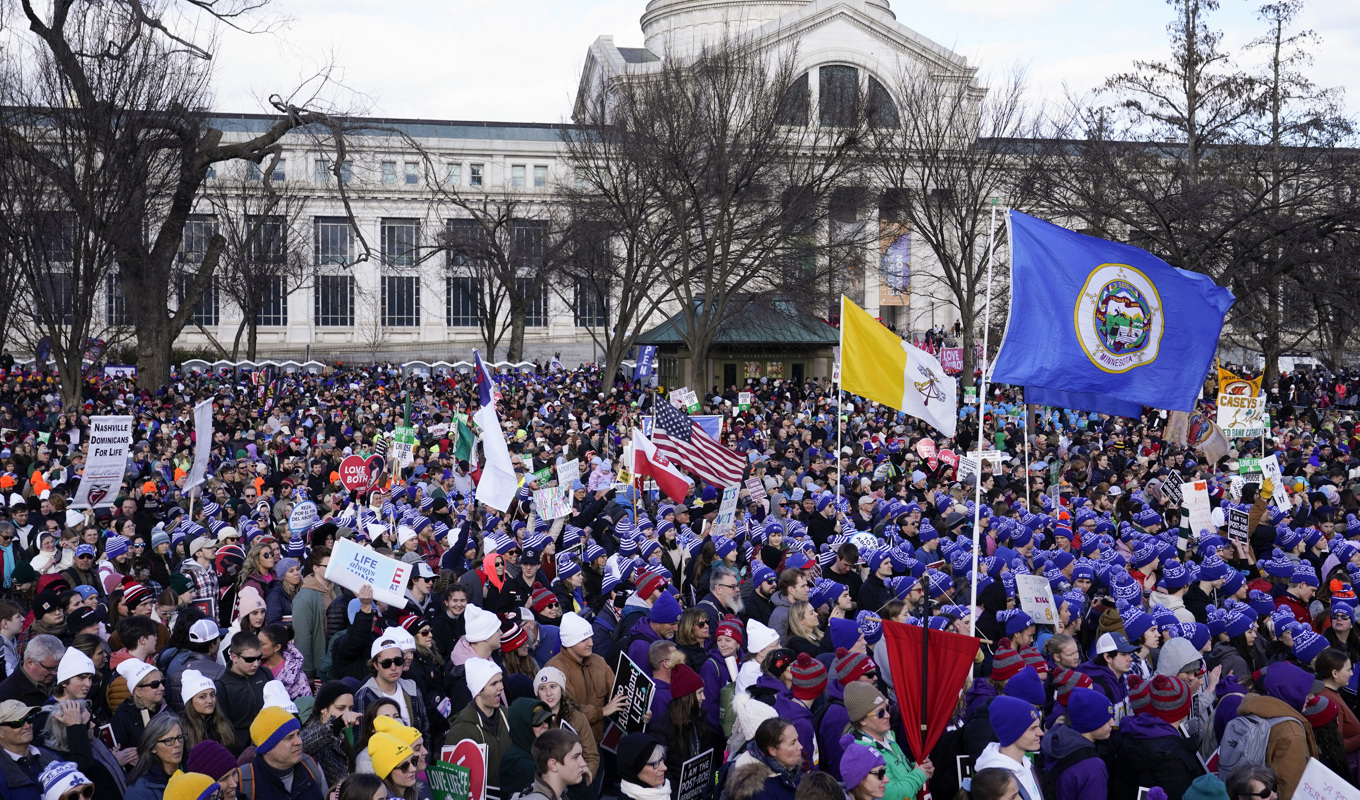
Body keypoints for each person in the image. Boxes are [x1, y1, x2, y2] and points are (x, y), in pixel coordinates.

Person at [1232, 662, 1319, 800]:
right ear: (1289, 693)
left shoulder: (1256, 709)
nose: (1312, 697)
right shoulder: (1291, 731)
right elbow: (1290, 787)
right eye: (1305, 691)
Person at [843, 683, 931, 800]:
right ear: (863, 720)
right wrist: (919, 775)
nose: (888, 715)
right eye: (880, 713)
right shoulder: (864, 753)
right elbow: (891, 795)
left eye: (887, 708)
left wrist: (919, 767)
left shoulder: (887, 736)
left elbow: (899, 774)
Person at [447, 658, 510, 800]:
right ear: (479, 690)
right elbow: (453, 784)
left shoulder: (508, 715)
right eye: (494, 683)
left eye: (500, 681)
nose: (501, 687)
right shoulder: (460, 730)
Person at [237, 706, 328, 800]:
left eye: (298, 734)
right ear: (267, 748)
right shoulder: (244, 781)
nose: (299, 742)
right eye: (289, 737)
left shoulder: (311, 766)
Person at [533, 667, 598, 797]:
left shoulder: (577, 717)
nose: (548, 693)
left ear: (561, 689)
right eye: (542, 688)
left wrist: (585, 774)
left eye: (553, 686)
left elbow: (592, 755)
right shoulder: (534, 721)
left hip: (576, 785)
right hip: (548, 787)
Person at [1040, 688, 1114, 800]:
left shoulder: (1054, 742)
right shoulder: (1093, 767)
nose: (1112, 723)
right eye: (1106, 719)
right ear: (1090, 722)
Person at [355, 634, 428, 731]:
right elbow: (362, 739)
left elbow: (424, 729)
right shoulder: (364, 696)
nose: (393, 668)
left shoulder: (412, 688)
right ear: (375, 665)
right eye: (386, 663)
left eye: (398, 661)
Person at [975, 697, 1043, 800]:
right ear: (1012, 733)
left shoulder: (1026, 764)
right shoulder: (995, 779)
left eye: (1038, 726)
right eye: (1032, 729)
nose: (1041, 733)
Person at [215, 632, 269, 754]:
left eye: (259, 657)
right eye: (249, 659)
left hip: (269, 744)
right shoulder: (222, 686)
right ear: (234, 657)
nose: (256, 664)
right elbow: (223, 728)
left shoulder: (265, 673)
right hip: (241, 752)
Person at [724, 718, 803, 800]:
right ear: (773, 750)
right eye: (793, 743)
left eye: (797, 740)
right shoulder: (760, 794)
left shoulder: (790, 766)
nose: (800, 746)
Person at [300, 681, 360, 788]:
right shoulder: (313, 734)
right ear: (323, 709)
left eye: (350, 708)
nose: (347, 713)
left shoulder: (344, 733)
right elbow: (303, 746)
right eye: (341, 708)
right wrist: (336, 725)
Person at [0, 699, 58, 800]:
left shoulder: (50, 756)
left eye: (30, 718)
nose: (27, 725)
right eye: (18, 722)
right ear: (1, 733)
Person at [500, 698, 555, 800]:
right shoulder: (515, 761)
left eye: (546, 720)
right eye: (538, 722)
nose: (546, 725)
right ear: (523, 726)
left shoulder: (543, 750)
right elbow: (552, 781)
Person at [109, 659, 166, 754]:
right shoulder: (123, 717)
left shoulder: (166, 708)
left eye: (162, 682)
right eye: (155, 684)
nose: (162, 688)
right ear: (138, 692)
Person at [124, 713, 184, 800]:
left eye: (180, 737)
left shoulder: (194, 769)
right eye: (168, 740)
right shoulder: (139, 790)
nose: (178, 744)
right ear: (153, 747)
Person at [179, 669, 236, 753]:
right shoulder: (181, 730)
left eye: (212, 695)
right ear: (190, 702)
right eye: (202, 697)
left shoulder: (223, 724)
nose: (210, 700)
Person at [0, 636, 62, 707]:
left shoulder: (61, 681)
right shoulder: (6, 695)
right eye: (49, 669)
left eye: (57, 668)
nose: (55, 673)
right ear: (30, 663)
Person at [617, 733, 671, 800]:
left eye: (662, 760)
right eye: (656, 763)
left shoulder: (665, 788)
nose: (664, 768)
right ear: (635, 769)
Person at [367, 732, 418, 800]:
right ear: (387, 773)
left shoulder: (418, 793)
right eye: (404, 766)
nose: (413, 769)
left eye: (413, 761)